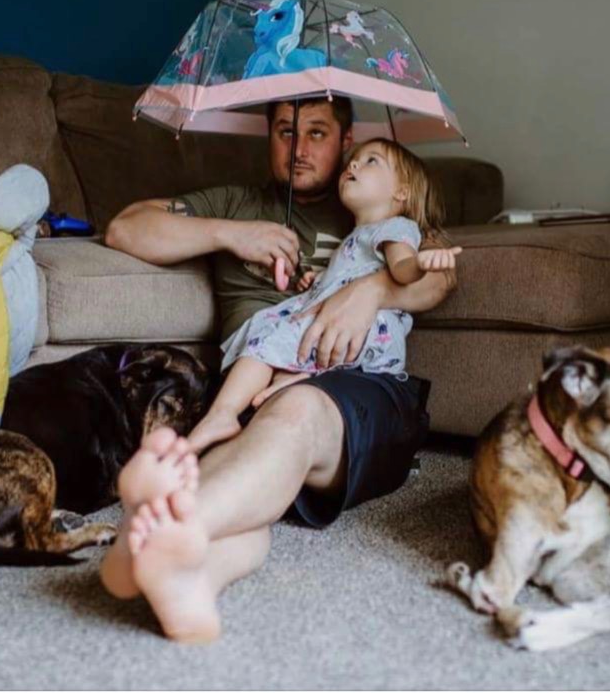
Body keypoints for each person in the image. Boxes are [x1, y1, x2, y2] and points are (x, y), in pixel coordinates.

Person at [98, 97, 457, 643]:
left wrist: (371, 292)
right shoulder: (237, 202)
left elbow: (439, 276)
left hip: (361, 386)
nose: (299, 147)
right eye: (286, 132)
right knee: (252, 486)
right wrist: (230, 233)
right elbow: (127, 229)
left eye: (317, 133)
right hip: (253, 386)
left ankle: (167, 528)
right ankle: (182, 572)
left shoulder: (368, 205)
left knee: (294, 414)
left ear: (347, 142)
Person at [187, 138, 461, 454]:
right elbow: (349, 273)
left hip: (362, 330)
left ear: (402, 192)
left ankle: (222, 414)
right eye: (354, 159)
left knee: (268, 337)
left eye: (371, 161)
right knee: (275, 333)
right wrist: (316, 281)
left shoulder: (395, 227)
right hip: (342, 328)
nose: (354, 164)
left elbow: (401, 269)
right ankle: (292, 380)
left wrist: (422, 263)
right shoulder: (357, 235)